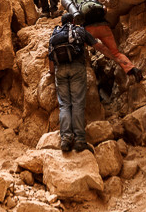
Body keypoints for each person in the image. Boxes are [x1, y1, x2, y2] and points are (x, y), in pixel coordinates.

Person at [47, 12, 118, 152]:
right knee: (77, 104)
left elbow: (50, 61)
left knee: (64, 105)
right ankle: (80, 140)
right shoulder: (79, 31)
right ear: (73, 21)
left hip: (60, 70)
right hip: (77, 69)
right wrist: (114, 57)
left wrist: (52, 72)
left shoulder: (55, 35)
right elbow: (99, 47)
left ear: (61, 23)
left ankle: (66, 139)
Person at [61, 0, 144, 82]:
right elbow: (104, 9)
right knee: (116, 53)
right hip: (104, 27)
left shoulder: (73, 5)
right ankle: (133, 69)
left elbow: (75, 20)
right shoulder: (91, 0)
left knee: (80, 49)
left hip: (89, 29)